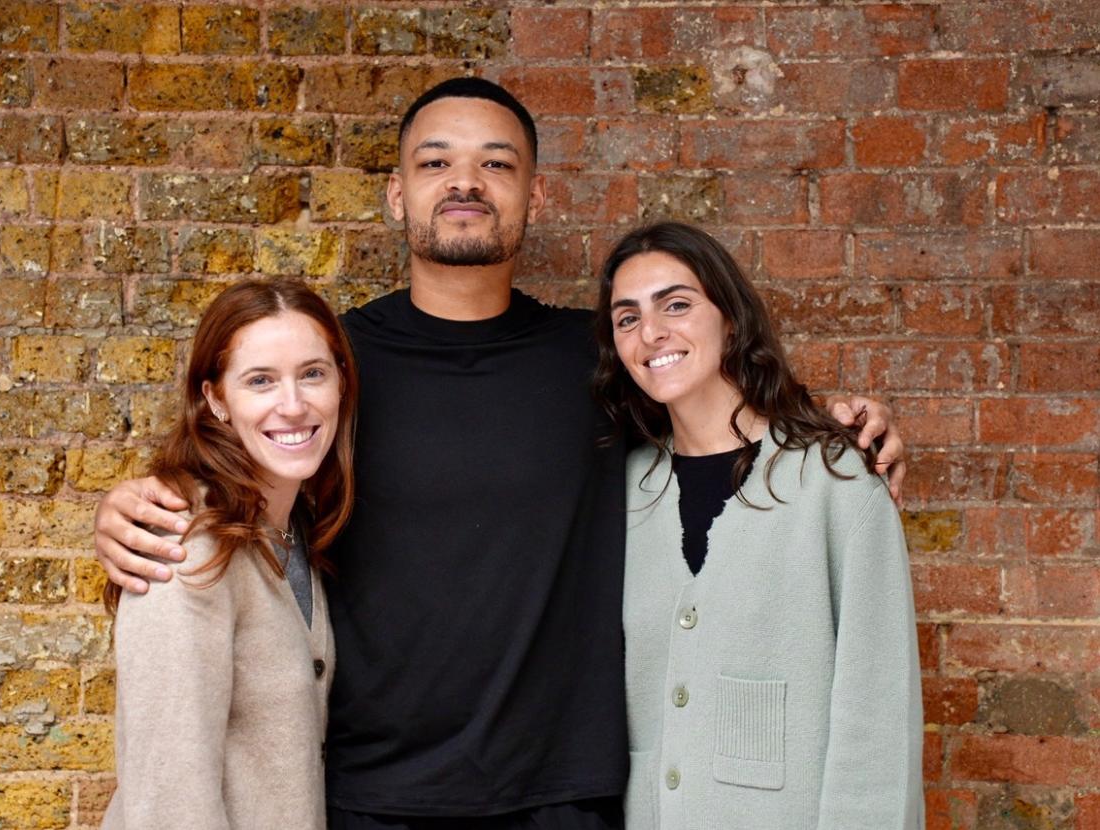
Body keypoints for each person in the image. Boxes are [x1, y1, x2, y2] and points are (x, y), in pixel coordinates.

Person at [93, 78, 907, 829]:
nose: (465, 181)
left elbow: (712, 420)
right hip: (371, 795)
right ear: (397, 193)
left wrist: (834, 436)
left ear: (535, 193)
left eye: (496, 163)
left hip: (562, 795)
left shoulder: (598, 359)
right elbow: (241, 466)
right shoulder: (334, 368)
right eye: (436, 161)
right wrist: (127, 506)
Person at [596, 222, 922, 829]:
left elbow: (877, 715)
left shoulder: (837, 479)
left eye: (676, 305)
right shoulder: (618, 489)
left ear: (731, 318)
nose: (652, 333)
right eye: (627, 318)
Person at [100, 280, 358, 830]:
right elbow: (168, 798)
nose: (293, 405)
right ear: (215, 398)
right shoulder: (185, 546)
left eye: (313, 374)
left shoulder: (295, 532)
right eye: (260, 381)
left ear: (341, 383)